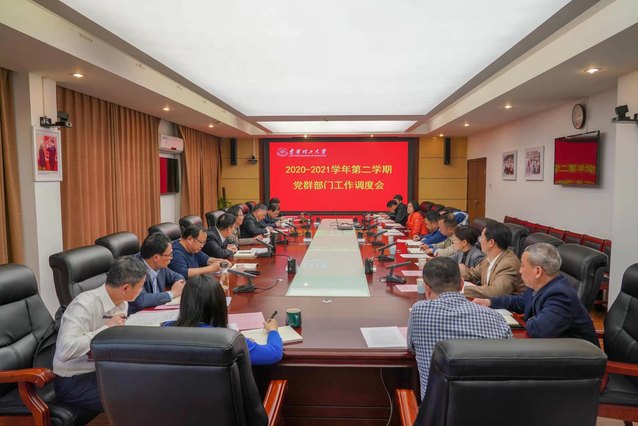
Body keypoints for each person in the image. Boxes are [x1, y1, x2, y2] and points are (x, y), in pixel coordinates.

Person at [408, 257, 512, 400]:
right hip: (489, 407)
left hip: (438, 411)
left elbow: (412, 348)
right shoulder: (496, 318)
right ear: (462, 284)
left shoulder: (419, 311)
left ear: (427, 288)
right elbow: (510, 361)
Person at [53, 256, 147, 412]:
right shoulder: (83, 305)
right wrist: (105, 329)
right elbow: (65, 350)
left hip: (103, 370)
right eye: (141, 286)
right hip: (73, 380)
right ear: (125, 288)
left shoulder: (122, 303)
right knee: (135, 399)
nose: (141, 290)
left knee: (151, 381)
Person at [473, 243, 599, 346]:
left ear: (538, 271)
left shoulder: (560, 295)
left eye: (523, 266)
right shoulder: (539, 285)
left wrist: (528, 319)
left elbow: (540, 330)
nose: (520, 270)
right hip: (553, 348)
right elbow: (520, 302)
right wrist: (490, 302)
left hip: (577, 359)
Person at [163, 274, 283, 365]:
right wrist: (273, 331)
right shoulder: (230, 339)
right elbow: (273, 353)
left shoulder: (165, 330)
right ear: (219, 305)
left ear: (184, 303)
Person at [461, 222, 525, 298]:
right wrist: (453, 273)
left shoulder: (508, 264)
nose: (479, 241)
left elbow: (495, 292)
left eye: (481, 237)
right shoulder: (489, 258)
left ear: (491, 243)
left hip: (507, 305)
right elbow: (473, 273)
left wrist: (463, 289)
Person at [129, 232, 185, 314]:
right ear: (156, 257)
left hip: (158, 311)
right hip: (138, 315)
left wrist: (179, 284)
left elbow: (177, 277)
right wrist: (172, 293)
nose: (171, 258)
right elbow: (141, 300)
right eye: (170, 255)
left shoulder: (160, 265)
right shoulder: (133, 268)